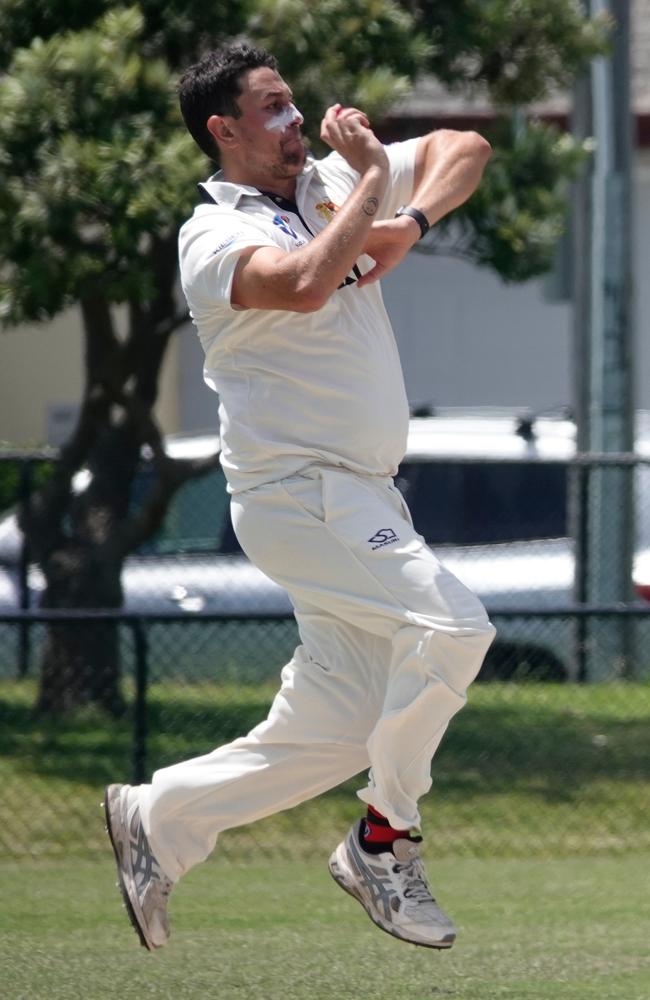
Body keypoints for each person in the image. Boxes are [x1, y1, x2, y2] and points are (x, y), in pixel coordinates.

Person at [105, 42, 495, 953]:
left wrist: (414, 219)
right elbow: (309, 283)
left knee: (338, 729)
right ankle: (383, 840)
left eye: (293, 103)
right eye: (273, 108)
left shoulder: (327, 181)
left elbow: (465, 147)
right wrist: (368, 187)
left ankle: (160, 819)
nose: (294, 121)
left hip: (362, 497)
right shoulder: (213, 234)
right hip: (298, 493)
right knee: (456, 628)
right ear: (224, 129)